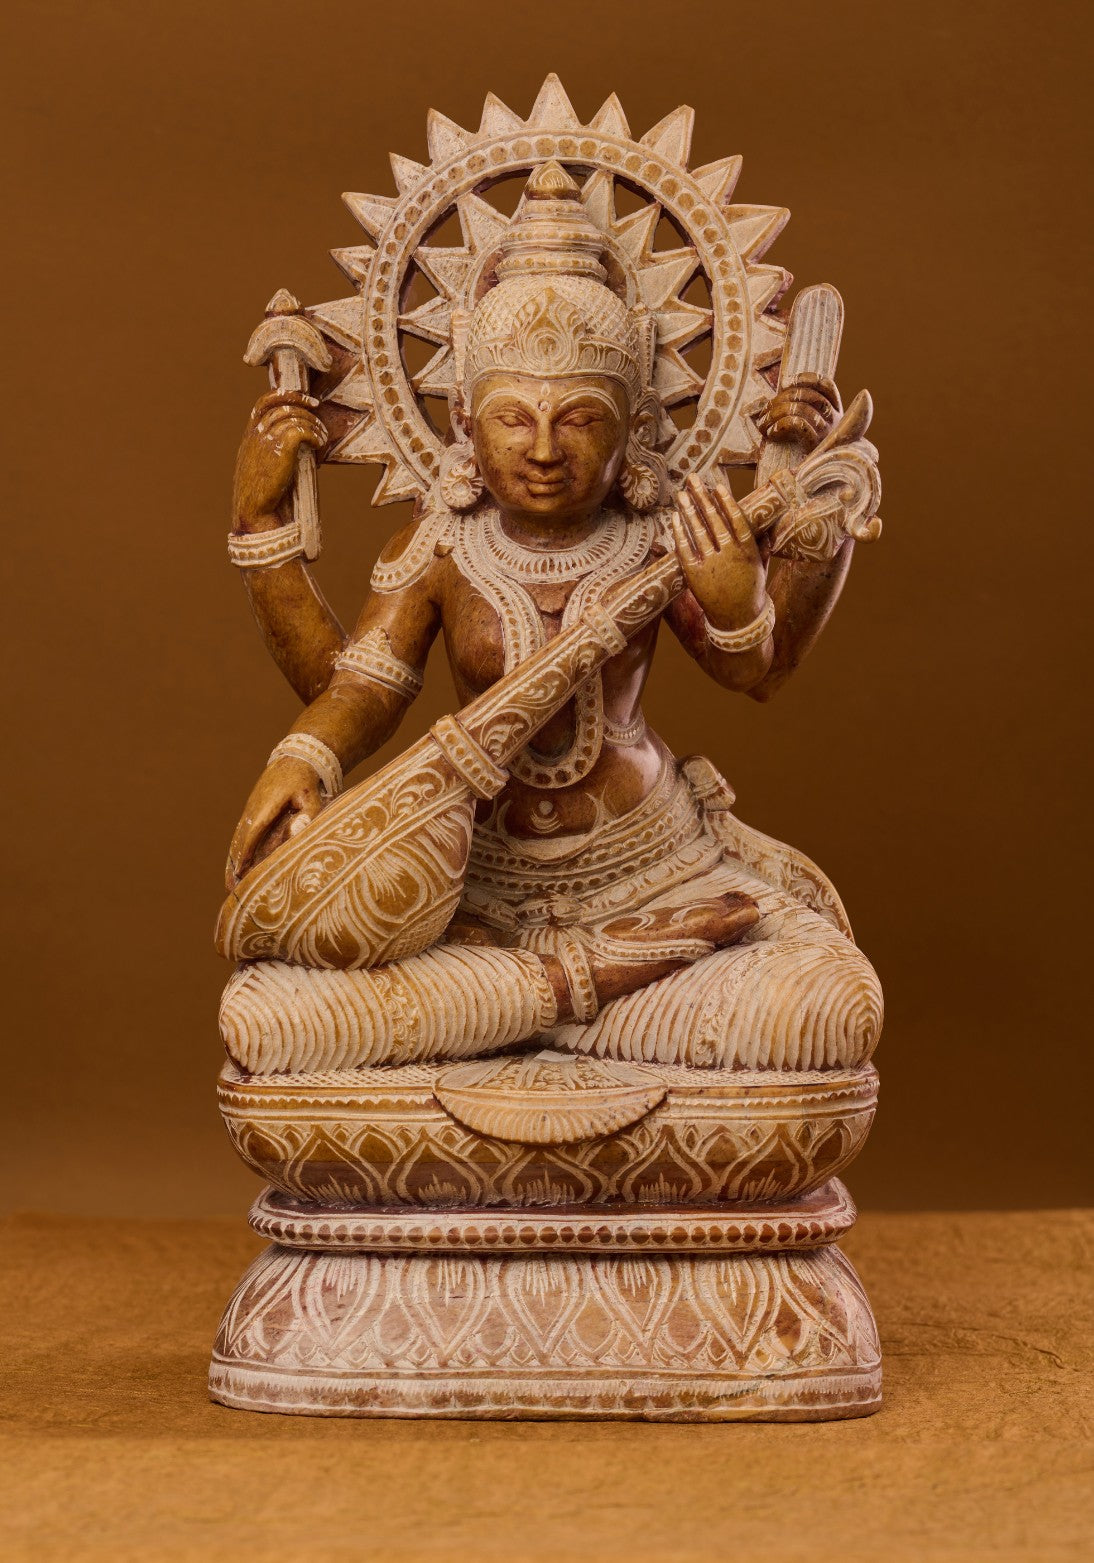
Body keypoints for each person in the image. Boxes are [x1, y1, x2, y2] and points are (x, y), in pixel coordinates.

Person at [220, 164, 881, 1076]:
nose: (540, 450)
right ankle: (579, 994)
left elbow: (757, 673)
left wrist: (739, 603)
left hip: (655, 875)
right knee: (266, 1015)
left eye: (577, 419)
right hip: (474, 898)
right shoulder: (444, 550)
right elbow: (359, 688)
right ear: (460, 418)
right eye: (511, 419)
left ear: (636, 421)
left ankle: (520, 1008)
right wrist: (300, 755)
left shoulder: (662, 533)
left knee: (827, 1009)